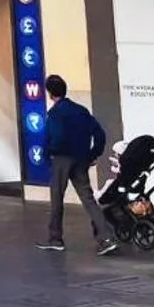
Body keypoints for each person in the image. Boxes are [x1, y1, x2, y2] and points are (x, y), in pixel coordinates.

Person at [39, 74, 119, 255]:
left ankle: (55, 239)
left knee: (57, 199)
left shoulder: (54, 114)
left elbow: (53, 137)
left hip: (61, 159)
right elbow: (100, 134)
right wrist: (92, 154)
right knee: (88, 198)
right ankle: (107, 237)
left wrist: (47, 156)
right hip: (81, 159)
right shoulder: (81, 111)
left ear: (50, 93)